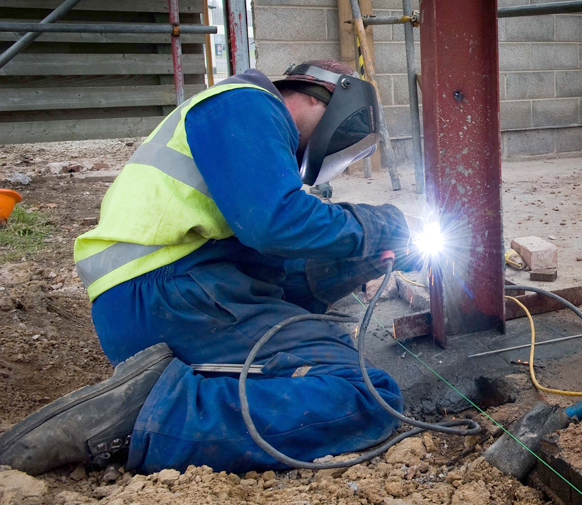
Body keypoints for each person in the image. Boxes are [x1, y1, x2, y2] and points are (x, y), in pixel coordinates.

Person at [0, 60, 414, 475]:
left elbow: (272, 263)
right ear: (317, 96)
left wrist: (357, 261)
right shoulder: (247, 104)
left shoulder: (236, 128)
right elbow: (276, 224)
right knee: (364, 393)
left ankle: (177, 392)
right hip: (171, 295)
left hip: (161, 299)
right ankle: (155, 415)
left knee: (313, 346)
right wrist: (378, 226)